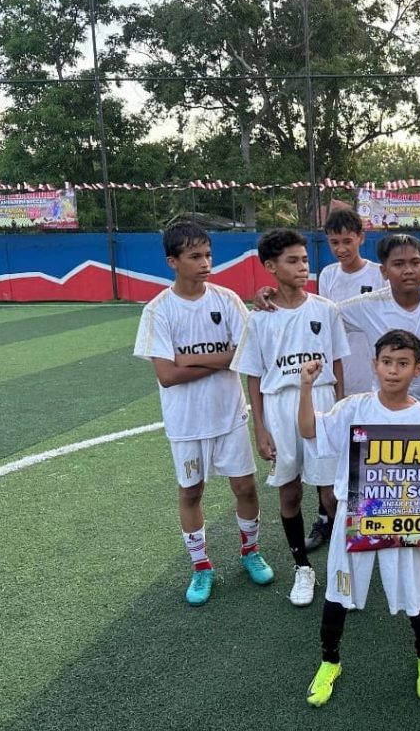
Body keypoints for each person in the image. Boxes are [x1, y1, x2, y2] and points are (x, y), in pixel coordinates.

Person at [133, 221, 274, 607]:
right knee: (191, 492)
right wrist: (221, 359)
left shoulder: (227, 300)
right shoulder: (158, 310)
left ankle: (250, 552)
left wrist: (187, 358)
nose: (206, 263)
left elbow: (246, 354)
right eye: (195, 256)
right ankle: (201, 566)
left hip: (229, 416)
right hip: (185, 423)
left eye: (208, 255)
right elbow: (167, 375)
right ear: (173, 261)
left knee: (245, 488)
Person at [298, 329, 420, 707]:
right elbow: (308, 429)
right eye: (387, 362)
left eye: (403, 363)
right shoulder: (354, 407)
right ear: (375, 365)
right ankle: (329, 662)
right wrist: (305, 387)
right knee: (338, 591)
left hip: (401, 517)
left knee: (415, 593)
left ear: (418, 369)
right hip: (354, 515)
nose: (393, 370)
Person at [231, 228, 350, 606]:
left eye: (304, 259)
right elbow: (253, 376)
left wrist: (341, 409)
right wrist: (260, 428)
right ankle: (303, 568)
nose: (302, 267)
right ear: (270, 267)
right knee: (290, 490)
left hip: (322, 401)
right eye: (292, 261)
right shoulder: (260, 318)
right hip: (281, 407)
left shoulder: (325, 309)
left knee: (332, 492)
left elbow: (338, 363)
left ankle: (342, 565)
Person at [336, 234, 420, 582]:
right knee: (389, 476)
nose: (408, 270)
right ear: (384, 270)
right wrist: (273, 296)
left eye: (415, 262)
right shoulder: (366, 305)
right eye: (399, 264)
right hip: (387, 408)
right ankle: (388, 532)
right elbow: (323, 313)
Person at [318, 208, 388, 395]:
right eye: (334, 242)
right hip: (342, 372)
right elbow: (327, 325)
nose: (341, 249)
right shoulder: (327, 275)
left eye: (347, 241)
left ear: (361, 238)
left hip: (374, 373)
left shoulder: (379, 274)